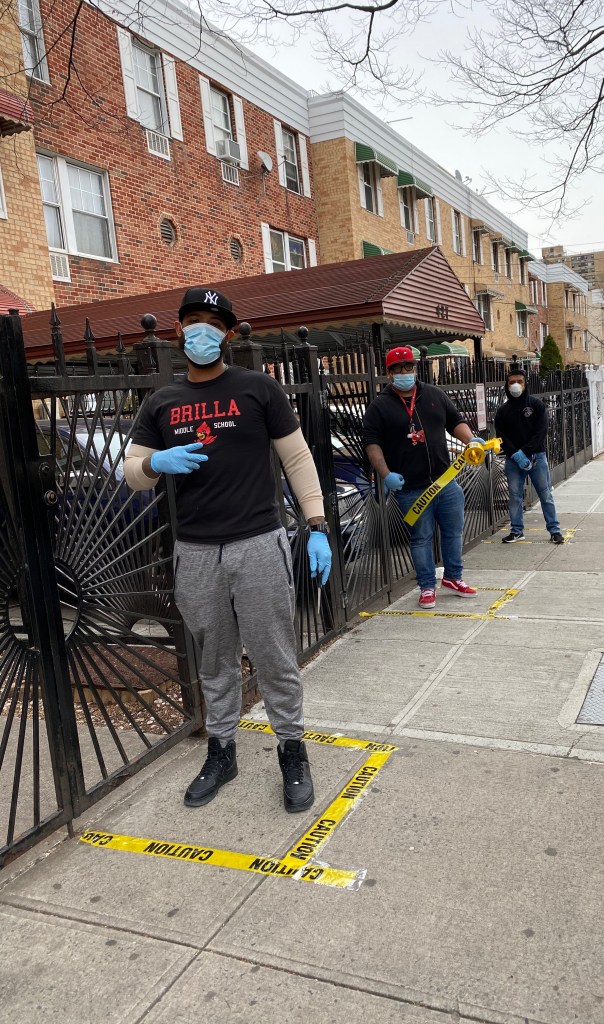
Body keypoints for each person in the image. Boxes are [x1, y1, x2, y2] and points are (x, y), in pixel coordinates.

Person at [124, 286, 332, 813]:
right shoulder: (162, 402)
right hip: (195, 551)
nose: (203, 331)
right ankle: (222, 750)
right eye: (193, 321)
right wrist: (155, 464)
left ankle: (292, 749)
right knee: (214, 659)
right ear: (178, 331)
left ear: (229, 333)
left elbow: (298, 459)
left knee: (274, 654)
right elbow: (131, 473)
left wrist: (317, 525)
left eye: (214, 324)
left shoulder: (259, 389)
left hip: (258, 542)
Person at [362, 345, 483, 609]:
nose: (404, 372)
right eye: (397, 369)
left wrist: (471, 439)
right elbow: (372, 443)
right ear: (389, 373)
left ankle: (453, 578)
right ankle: (427, 586)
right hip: (411, 489)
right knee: (421, 538)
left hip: (445, 482)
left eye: (408, 367)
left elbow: (455, 421)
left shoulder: (434, 394)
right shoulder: (379, 406)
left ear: (415, 368)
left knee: (453, 532)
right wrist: (385, 474)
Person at [494, 365, 564, 545]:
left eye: (519, 381)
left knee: (545, 495)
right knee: (514, 496)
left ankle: (554, 530)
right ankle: (516, 531)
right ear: (507, 385)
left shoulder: (536, 405)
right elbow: (501, 435)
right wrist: (515, 455)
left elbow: (541, 431)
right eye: (512, 382)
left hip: (536, 457)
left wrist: (525, 452)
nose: (516, 385)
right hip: (513, 460)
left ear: (525, 384)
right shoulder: (503, 411)